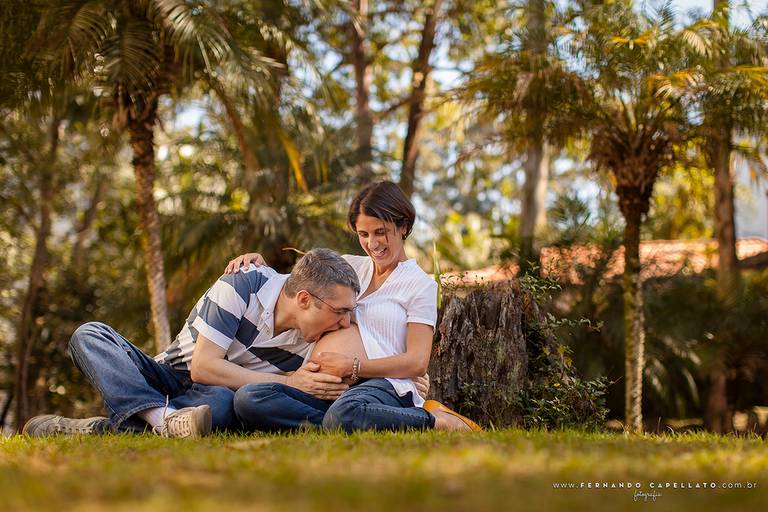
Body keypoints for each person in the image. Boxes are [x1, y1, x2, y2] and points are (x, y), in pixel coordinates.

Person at [226, 181, 481, 433]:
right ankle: (348, 422)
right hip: (328, 388)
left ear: (403, 226)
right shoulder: (351, 267)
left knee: (344, 413)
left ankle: (435, 421)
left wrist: (352, 367)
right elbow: (301, 285)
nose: (373, 243)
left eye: (380, 232)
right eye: (363, 234)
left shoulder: (419, 285)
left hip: (383, 386)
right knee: (249, 398)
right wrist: (262, 268)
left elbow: (417, 362)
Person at [23, 248, 360, 438]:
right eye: (341, 311)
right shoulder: (244, 284)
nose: (346, 321)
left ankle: (109, 427)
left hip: (213, 395)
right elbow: (203, 367)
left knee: (224, 407)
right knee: (90, 335)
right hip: (169, 375)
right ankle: (164, 420)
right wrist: (288, 381)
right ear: (303, 299)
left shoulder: (323, 333)